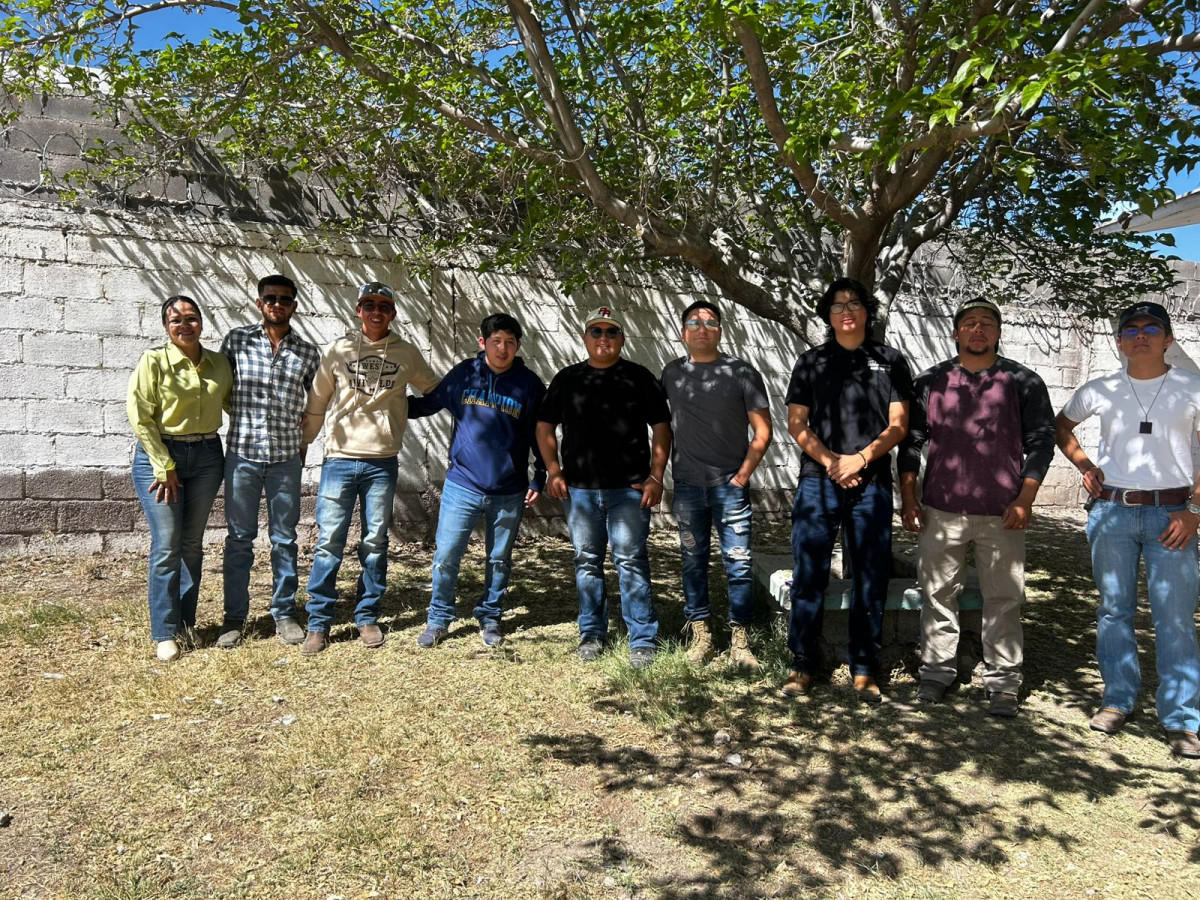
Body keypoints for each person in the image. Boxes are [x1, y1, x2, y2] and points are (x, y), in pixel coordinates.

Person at [1056, 301, 1200, 758]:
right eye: (1131, 329)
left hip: (1172, 515)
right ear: (1119, 341)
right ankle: (1117, 699)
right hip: (1112, 512)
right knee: (1113, 610)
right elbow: (1062, 426)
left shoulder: (1192, 387)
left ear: (1168, 338)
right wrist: (1085, 465)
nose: (1141, 335)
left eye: (1152, 328)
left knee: (1175, 617)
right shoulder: (1101, 388)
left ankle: (1181, 719)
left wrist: (1195, 510)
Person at [898, 299, 1055, 717]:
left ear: (998, 332)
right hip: (941, 509)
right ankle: (936, 672)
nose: (978, 328)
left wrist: (1025, 499)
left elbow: (1042, 443)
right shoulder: (931, 381)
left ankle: (1003, 683)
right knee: (937, 595)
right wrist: (909, 497)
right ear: (956, 332)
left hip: (1003, 512)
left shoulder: (1023, 381)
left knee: (1004, 598)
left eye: (987, 322)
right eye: (969, 322)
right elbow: (911, 442)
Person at [783, 278, 913, 703]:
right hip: (818, 482)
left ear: (867, 311)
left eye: (854, 303)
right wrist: (833, 462)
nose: (846, 311)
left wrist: (860, 459)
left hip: (871, 483)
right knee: (809, 573)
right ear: (828, 314)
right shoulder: (811, 361)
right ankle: (803, 663)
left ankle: (864, 667)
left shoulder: (890, 361)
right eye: (837, 305)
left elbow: (899, 426)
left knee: (870, 576)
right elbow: (797, 423)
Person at [299, 281, 440, 655]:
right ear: (358, 310)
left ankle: (366, 616)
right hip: (340, 460)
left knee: (375, 542)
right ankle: (318, 623)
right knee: (329, 542)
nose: (376, 311)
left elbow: (434, 391)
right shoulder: (338, 350)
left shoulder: (406, 353)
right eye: (369, 305)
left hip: (382, 463)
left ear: (392, 314)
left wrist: (402, 410)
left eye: (384, 306)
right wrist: (304, 443)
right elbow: (317, 400)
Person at [537, 306, 672, 670]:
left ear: (621, 339)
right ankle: (592, 633)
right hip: (579, 491)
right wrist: (553, 470)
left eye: (611, 332)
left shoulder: (639, 377)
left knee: (630, 561)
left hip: (629, 490)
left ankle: (641, 638)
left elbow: (662, 427)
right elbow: (544, 426)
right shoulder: (568, 379)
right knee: (587, 561)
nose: (603, 338)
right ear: (585, 338)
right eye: (595, 331)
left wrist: (656, 476)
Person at [408, 313, 547, 649]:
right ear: (482, 342)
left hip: (509, 490)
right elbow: (429, 404)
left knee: (499, 559)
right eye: (496, 341)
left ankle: (490, 615)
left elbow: (539, 434)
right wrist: (389, 401)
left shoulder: (529, 384)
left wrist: (540, 475)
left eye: (510, 342)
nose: (503, 348)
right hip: (462, 485)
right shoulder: (464, 374)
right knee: (446, 556)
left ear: (518, 346)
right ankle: (439, 618)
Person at [661, 300, 772, 670]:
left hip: (730, 488)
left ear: (720, 331)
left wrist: (742, 476)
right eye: (693, 322)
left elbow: (763, 431)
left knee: (738, 564)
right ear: (683, 333)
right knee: (692, 562)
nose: (702, 328)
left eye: (710, 322)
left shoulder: (741, 372)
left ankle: (741, 642)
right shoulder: (671, 373)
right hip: (688, 487)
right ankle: (702, 636)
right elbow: (659, 425)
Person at [216, 274, 320, 648]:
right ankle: (234, 618)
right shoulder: (237, 341)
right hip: (242, 455)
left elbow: (316, 404)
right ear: (259, 303)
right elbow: (222, 389)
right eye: (270, 298)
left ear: (294, 305)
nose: (277, 304)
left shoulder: (308, 353)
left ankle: (285, 612)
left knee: (284, 539)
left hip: (285, 458)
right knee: (239, 539)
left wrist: (304, 442)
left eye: (285, 299)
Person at [127, 295, 232, 662]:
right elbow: (140, 416)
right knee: (167, 544)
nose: (185, 325)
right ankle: (164, 631)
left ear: (201, 322)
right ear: (166, 327)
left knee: (191, 544)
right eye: (176, 320)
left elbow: (234, 403)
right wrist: (163, 464)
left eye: (191, 318)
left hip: (207, 457)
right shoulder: (154, 361)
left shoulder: (219, 363)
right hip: (161, 456)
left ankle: (186, 623)